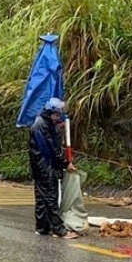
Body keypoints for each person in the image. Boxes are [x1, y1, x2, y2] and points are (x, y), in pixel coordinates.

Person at [29, 97, 78, 239]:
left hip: (40, 168)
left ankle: (42, 227)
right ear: (50, 113)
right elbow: (51, 150)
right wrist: (65, 163)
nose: (58, 118)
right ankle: (59, 230)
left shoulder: (44, 123)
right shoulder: (41, 126)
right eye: (57, 115)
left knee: (42, 199)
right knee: (50, 199)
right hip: (45, 168)